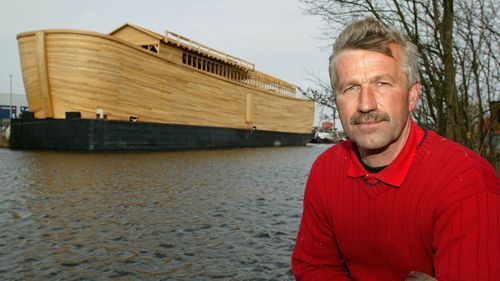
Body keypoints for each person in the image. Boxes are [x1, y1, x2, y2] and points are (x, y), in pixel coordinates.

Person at [292, 17, 500, 281]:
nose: (365, 104)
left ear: (412, 95)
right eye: (351, 87)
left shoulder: (466, 182)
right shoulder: (327, 170)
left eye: (382, 84)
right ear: (337, 100)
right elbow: (314, 267)